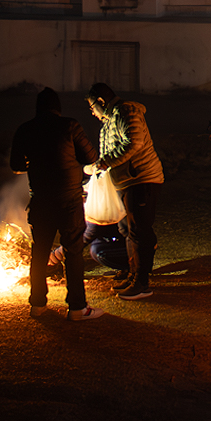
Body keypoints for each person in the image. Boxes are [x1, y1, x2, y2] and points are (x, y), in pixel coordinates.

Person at [9, 87, 102, 320]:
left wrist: (36, 162)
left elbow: (16, 165)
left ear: (38, 107)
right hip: (69, 199)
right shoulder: (70, 126)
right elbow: (90, 157)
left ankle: (38, 304)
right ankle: (77, 308)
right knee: (73, 252)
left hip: (41, 201)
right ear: (58, 108)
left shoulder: (25, 129)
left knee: (39, 252)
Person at [87, 82, 164, 300]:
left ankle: (142, 283)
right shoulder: (110, 120)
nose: (92, 112)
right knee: (128, 230)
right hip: (128, 182)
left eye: (93, 106)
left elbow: (134, 142)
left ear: (102, 101)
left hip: (142, 179)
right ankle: (134, 275)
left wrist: (106, 163)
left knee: (139, 230)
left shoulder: (126, 111)